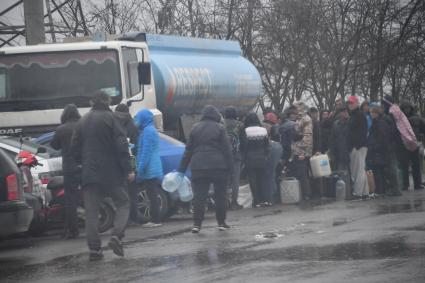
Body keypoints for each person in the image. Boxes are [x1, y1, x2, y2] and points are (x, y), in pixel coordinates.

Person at [71, 91, 133, 261]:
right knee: (123, 203)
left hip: (90, 173)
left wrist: (83, 163)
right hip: (112, 173)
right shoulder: (112, 119)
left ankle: (95, 250)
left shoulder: (82, 121)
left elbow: (74, 149)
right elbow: (121, 146)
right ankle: (116, 235)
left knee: (91, 212)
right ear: (107, 101)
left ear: (92, 101)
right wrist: (128, 169)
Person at [178, 105, 234, 233]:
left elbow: (188, 150)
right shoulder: (220, 128)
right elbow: (227, 150)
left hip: (199, 167)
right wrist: (231, 169)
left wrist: (181, 169)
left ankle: (197, 224)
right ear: (216, 116)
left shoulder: (195, 128)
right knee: (220, 195)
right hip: (218, 166)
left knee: (199, 196)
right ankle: (221, 222)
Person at [51, 104, 81, 239]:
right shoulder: (83, 126)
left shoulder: (61, 129)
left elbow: (54, 145)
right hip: (85, 165)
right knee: (92, 194)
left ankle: (73, 231)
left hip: (69, 167)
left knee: (71, 200)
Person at [134, 109, 164, 227]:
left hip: (149, 167)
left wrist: (140, 168)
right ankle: (155, 219)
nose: (136, 121)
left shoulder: (147, 131)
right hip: (152, 166)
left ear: (143, 118)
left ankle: (155, 220)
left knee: (152, 194)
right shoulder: (149, 130)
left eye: (137, 118)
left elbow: (146, 151)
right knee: (152, 193)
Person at [382, 95, 418, 191]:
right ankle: (415, 184)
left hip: (400, 141)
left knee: (403, 164)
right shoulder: (398, 111)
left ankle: (405, 184)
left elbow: (393, 129)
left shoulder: (391, 113)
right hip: (408, 140)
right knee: (411, 164)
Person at [367, 104, 401, 196]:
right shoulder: (382, 121)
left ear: (375, 113)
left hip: (385, 149)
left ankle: (394, 190)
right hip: (386, 148)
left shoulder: (380, 122)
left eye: (371, 113)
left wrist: (375, 146)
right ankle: (392, 189)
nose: (370, 115)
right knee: (388, 170)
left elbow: (383, 137)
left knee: (390, 170)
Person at [114, 104, 140, 223]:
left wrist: (132, 169)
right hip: (127, 161)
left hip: (129, 161)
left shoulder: (128, 126)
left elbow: (132, 147)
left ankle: (132, 216)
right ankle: (131, 216)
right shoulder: (129, 124)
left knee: (130, 191)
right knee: (129, 191)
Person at [240, 112, 269, 207]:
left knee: (253, 180)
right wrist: (266, 155)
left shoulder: (245, 131)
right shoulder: (263, 130)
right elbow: (267, 145)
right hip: (262, 158)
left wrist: (243, 159)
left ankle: (256, 201)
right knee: (263, 179)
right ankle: (265, 199)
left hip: (250, 158)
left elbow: (244, 146)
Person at [289, 101, 313, 200]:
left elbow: (308, 137)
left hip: (301, 152)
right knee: (300, 173)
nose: (293, 110)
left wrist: (304, 152)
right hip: (296, 150)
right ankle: (302, 193)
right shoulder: (298, 119)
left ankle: (307, 194)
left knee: (303, 174)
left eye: (295, 108)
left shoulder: (306, 119)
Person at [347, 95, 369, 199]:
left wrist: (357, 145)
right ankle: (364, 192)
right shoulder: (355, 115)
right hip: (358, 146)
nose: (350, 104)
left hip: (358, 146)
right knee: (361, 169)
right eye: (349, 103)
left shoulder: (359, 115)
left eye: (351, 103)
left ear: (356, 103)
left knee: (358, 170)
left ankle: (358, 193)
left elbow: (362, 132)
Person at [400, 101, 425, 190]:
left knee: (415, 165)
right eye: (405, 108)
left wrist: (421, 139)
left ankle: (415, 184)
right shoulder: (402, 119)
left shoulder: (415, 118)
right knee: (407, 165)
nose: (407, 110)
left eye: (408, 108)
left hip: (414, 144)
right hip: (406, 144)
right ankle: (408, 184)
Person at [223, 106, 244, 210]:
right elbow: (244, 141)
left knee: (225, 179)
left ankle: (224, 202)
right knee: (235, 180)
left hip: (224, 156)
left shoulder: (221, 124)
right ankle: (234, 202)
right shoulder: (240, 125)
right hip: (236, 155)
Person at [329, 105, 350, 171]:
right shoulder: (335, 124)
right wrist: (332, 151)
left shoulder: (351, 122)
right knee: (341, 172)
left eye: (347, 111)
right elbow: (332, 139)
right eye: (343, 111)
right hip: (339, 152)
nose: (346, 113)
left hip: (349, 151)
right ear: (340, 113)